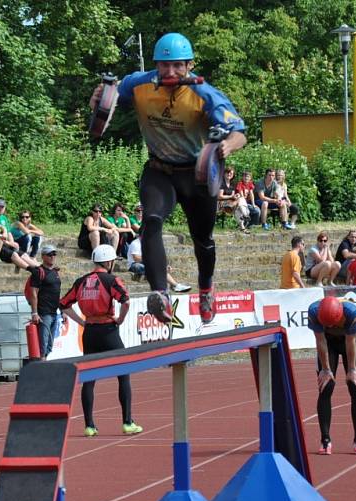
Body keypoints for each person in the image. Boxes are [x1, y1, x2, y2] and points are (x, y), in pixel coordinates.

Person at [91, 32, 246, 325]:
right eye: (164, 66)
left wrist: (228, 145)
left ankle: (206, 288)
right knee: (150, 220)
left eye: (177, 66)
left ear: (189, 65)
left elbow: (239, 132)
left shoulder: (205, 94)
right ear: (156, 65)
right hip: (159, 170)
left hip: (198, 175)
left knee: (203, 239)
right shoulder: (139, 84)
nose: (171, 72)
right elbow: (107, 98)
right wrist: (99, 96)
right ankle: (160, 294)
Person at [59, 244, 142, 437]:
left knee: (89, 379)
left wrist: (82, 321)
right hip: (108, 331)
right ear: (109, 261)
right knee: (123, 374)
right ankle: (127, 422)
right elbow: (126, 301)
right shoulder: (111, 280)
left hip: (89, 333)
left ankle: (89, 426)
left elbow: (63, 304)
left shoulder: (81, 281)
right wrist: (120, 320)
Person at [307, 296, 356, 455]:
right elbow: (320, 341)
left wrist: (352, 369)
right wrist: (326, 369)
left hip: (349, 342)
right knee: (326, 386)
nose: (331, 326)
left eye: (333, 324)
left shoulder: (351, 313)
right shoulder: (314, 311)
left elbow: (350, 341)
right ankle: (325, 440)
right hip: (328, 344)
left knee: (355, 386)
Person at [27, 245, 62, 359]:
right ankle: (42, 371)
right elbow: (33, 293)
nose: (53, 256)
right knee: (43, 345)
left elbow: (57, 292)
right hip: (43, 313)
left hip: (54, 312)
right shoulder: (38, 272)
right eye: (50, 254)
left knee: (49, 346)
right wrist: (34, 313)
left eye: (54, 254)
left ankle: (44, 366)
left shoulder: (56, 272)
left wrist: (62, 310)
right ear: (43, 256)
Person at [126, 236, 192, 292]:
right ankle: (175, 285)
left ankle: (175, 285)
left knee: (159, 269)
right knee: (156, 269)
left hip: (145, 263)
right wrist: (152, 262)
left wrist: (164, 265)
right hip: (134, 264)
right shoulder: (135, 243)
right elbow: (136, 258)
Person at [218, 166, 251, 233]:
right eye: (228, 172)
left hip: (231, 203)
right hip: (222, 204)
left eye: (231, 173)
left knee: (239, 202)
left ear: (233, 175)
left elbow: (233, 195)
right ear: (224, 173)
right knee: (240, 201)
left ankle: (243, 226)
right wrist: (232, 196)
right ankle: (245, 216)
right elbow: (220, 196)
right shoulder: (221, 183)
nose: (229, 174)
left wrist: (236, 195)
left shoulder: (233, 183)